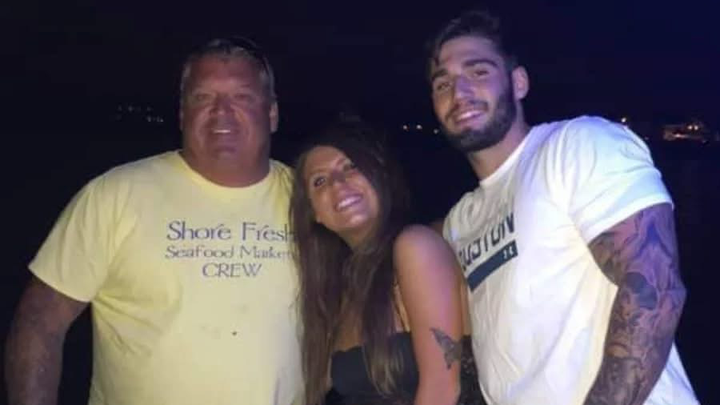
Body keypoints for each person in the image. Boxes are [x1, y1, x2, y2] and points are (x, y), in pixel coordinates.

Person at [5, 37, 302, 405]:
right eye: (202, 97)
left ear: (271, 114)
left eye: (242, 97)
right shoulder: (114, 195)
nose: (221, 112)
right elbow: (39, 323)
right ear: (182, 114)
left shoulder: (309, 203)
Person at [426, 10, 699, 405]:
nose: (459, 91)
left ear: (518, 82)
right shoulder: (461, 220)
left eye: (479, 71)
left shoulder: (578, 146)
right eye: (442, 84)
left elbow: (655, 289)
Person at [289, 123, 484, 405]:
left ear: (379, 176)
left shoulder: (415, 246)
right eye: (319, 181)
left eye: (350, 167)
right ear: (314, 213)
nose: (337, 183)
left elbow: (443, 390)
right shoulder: (341, 290)